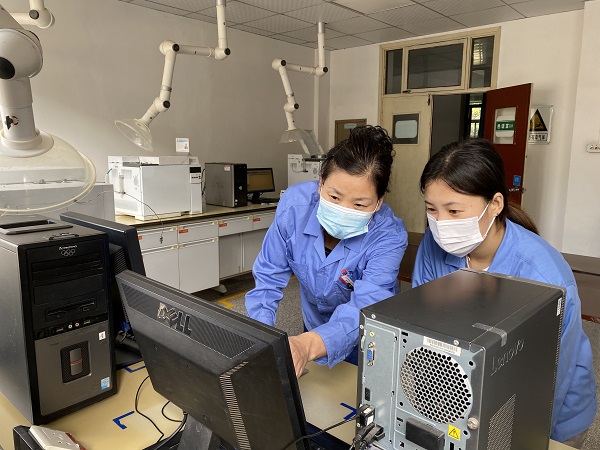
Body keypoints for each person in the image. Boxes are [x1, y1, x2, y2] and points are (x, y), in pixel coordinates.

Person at [412, 138, 597, 448]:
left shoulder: (543, 275)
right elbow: (422, 324)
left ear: (495, 204)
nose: (441, 224)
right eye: (432, 209)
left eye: (454, 210)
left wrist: (529, 434)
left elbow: (551, 373)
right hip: (462, 393)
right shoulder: (433, 246)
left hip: (548, 409)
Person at [246, 125, 408, 378]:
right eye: (334, 197)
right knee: (312, 392)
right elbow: (268, 276)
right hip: (313, 326)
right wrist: (261, 337)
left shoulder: (388, 236)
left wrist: (306, 345)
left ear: (378, 203)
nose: (344, 210)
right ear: (320, 184)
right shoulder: (295, 206)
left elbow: (364, 307)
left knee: (358, 393)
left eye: (359, 204)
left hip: (366, 336)